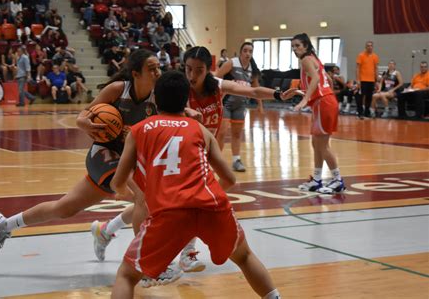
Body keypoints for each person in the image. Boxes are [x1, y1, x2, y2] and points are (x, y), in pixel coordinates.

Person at [94, 46, 302, 278]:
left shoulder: (216, 86)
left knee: (171, 202)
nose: (192, 76)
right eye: (189, 69)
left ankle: (107, 230)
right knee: (174, 202)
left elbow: (252, 91)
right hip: (181, 154)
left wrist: (277, 94)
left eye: (199, 70)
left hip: (204, 153)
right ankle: (184, 254)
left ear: (208, 70)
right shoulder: (180, 91)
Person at [109, 71, 282, 299]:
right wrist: (207, 194)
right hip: (212, 207)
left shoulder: (139, 130)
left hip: (169, 212)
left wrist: (124, 192)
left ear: (155, 98)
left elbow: (118, 181)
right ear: (185, 100)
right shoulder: (200, 129)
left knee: (126, 276)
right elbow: (229, 179)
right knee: (244, 257)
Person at [0, 49, 162, 260]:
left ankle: (4, 225)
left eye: (159, 68)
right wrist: (84, 123)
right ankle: (146, 260)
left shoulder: (157, 99)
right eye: (152, 69)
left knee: (64, 208)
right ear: (135, 73)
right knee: (144, 198)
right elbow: (83, 115)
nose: (158, 73)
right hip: (104, 153)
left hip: (128, 158)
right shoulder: (118, 90)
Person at [292, 33, 345, 194]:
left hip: (324, 103)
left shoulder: (306, 59)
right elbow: (325, 79)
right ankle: (316, 179)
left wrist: (304, 99)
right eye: (293, 47)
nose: (295, 49)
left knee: (322, 145)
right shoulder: (313, 57)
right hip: (322, 102)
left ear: (306, 46)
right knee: (316, 143)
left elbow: (315, 79)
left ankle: (338, 180)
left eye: (298, 46)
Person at [215, 42, 264, 172]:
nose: (248, 53)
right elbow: (216, 77)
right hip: (225, 103)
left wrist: (260, 105)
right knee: (222, 132)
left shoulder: (252, 69)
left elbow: (256, 88)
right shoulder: (231, 63)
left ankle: (236, 160)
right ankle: (216, 160)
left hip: (240, 105)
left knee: (237, 134)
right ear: (241, 52)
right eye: (245, 51)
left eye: (250, 51)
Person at [356, 41, 379, 118]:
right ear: (365, 47)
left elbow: (376, 68)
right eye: (368, 46)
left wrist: (376, 81)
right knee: (360, 96)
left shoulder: (375, 56)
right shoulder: (361, 55)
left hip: (371, 80)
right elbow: (357, 68)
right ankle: (360, 112)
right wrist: (358, 80)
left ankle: (366, 112)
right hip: (362, 80)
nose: (370, 47)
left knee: (369, 97)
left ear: (373, 47)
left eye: (371, 46)